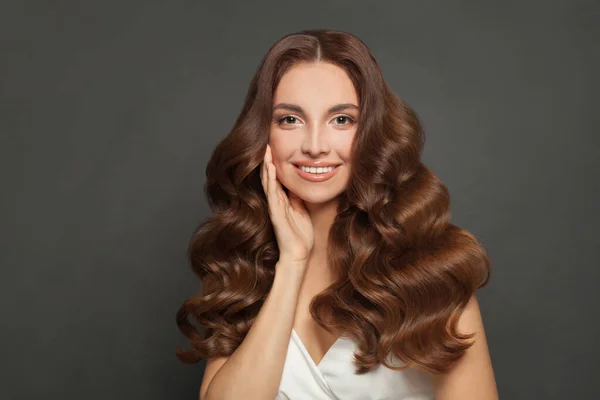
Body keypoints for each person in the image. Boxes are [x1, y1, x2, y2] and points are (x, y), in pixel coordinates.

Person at [176, 29, 499, 400]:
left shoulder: (433, 275)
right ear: (263, 136)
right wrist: (291, 264)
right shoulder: (240, 270)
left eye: (341, 120)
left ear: (372, 133)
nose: (315, 146)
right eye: (290, 120)